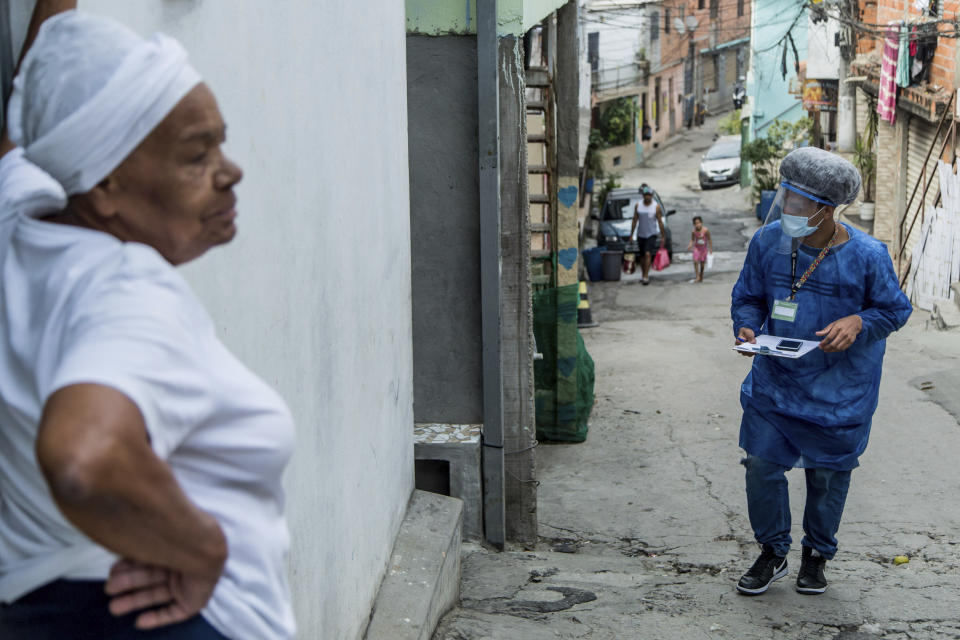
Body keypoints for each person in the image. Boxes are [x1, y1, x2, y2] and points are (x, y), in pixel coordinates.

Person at [0, 9, 295, 639]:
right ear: (105, 184)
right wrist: (203, 549)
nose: (230, 169)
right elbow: (84, 458)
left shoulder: (17, 220)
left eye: (221, 140)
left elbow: (36, 106)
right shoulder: (130, 291)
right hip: (164, 615)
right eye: (197, 154)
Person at [730, 147, 912, 597]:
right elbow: (748, 296)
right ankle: (772, 551)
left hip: (840, 394)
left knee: (828, 476)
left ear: (825, 210)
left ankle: (816, 555)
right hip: (775, 385)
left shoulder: (868, 254)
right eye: (785, 197)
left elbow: (895, 310)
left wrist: (859, 322)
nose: (786, 208)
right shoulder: (767, 242)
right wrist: (748, 325)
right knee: (761, 466)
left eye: (796, 203)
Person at [629, 185, 665, 285]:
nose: (647, 197)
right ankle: (643, 274)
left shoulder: (655, 206)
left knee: (648, 254)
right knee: (641, 256)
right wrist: (631, 235)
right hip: (641, 234)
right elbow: (635, 220)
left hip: (651, 234)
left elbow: (660, 221)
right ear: (643, 196)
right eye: (646, 195)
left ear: (652, 196)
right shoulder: (638, 205)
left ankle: (646, 276)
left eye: (649, 195)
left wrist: (663, 235)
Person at [686, 216, 712, 283]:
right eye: (696, 223)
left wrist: (710, 249)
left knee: (702, 265)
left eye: (699, 223)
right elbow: (692, 239)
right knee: (695, 261)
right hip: (696, 248)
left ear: (701, 223)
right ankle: (697, 276)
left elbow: (709, 239)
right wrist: (690, 245)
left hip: (704, 249)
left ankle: (701, 276)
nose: (698, 225)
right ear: (694, 224)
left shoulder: (705, 230)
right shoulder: (693, 231)